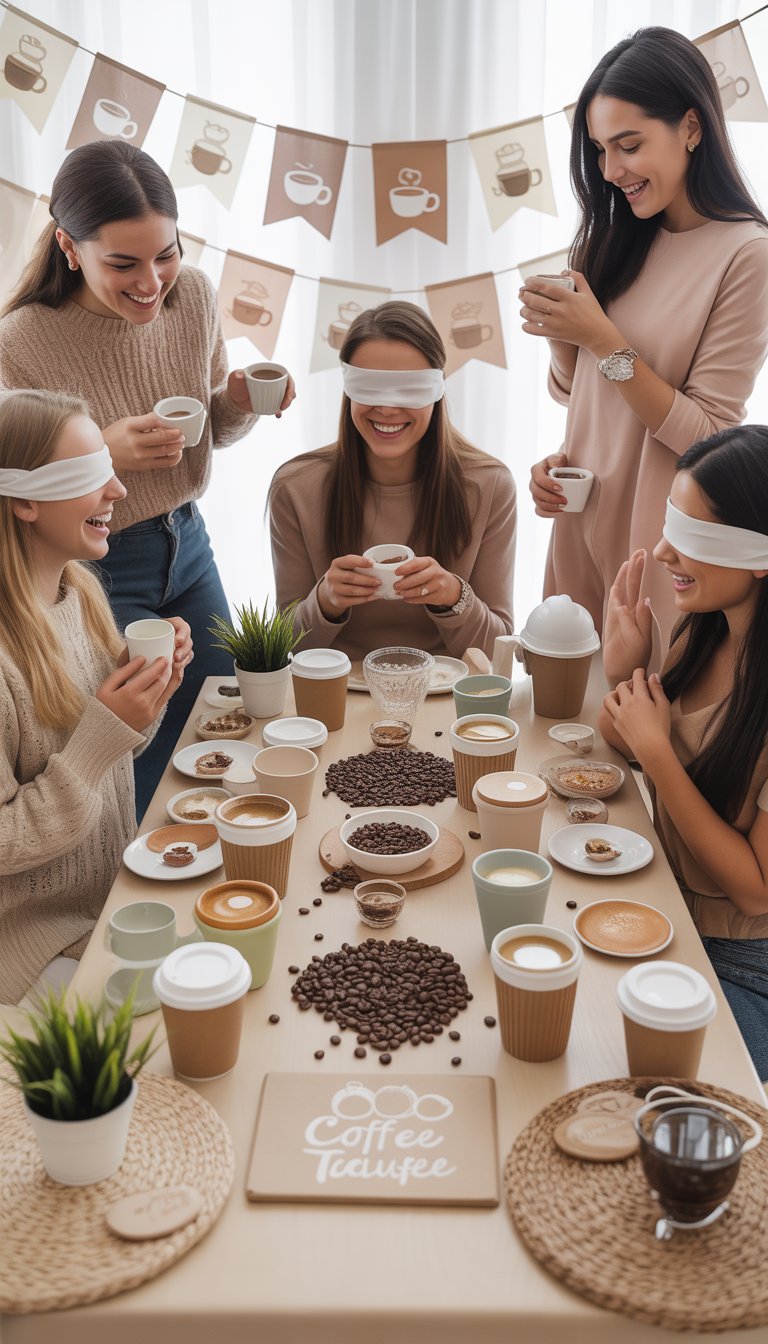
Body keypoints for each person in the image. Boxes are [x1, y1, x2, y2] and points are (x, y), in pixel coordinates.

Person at [0, 140, 294, 820]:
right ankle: (138, 892)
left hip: (187, 542)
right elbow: (15, 484)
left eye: (166, 254)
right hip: (96, 565)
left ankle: (239, 859)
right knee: (138, 746)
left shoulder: (191, 296)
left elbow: (208, 432)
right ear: (70, 249)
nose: (151, 282)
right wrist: (102, 451)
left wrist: (239, 404)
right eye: (123, 264)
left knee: (230, 716)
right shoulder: (22, 339)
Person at [520, 26, 768, 651]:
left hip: (658, 546)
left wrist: (600, 340)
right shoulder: (617, 235)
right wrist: (563, 343)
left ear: (691, 126)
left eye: (629, 145)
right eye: (601, 149)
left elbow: (710, 434)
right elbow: (580, 395)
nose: (611, 170)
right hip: (581, 520)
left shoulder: (748, 255)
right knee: (563, 730)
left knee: (639, 727)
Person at [0, 389, 192, 1005]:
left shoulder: (78, 594)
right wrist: (104, 732)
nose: (118, 491)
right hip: (31, 950)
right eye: (91, 475)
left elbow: (106, 762)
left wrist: (146, 696)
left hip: (109, 901)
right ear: (24, 498)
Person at [598, 425, 768, 1079]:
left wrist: (657, 755)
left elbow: (754, 892)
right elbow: (631, 740)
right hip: (668, 911)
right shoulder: (705, 631)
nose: (665, 550)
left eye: (692, 537)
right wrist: (627, 670)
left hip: (744, 961)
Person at [269, 301, 515, 662]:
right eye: (371, 387)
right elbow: (282, 650)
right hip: (333, 698)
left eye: (407, 389)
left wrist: (452, 596)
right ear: (348, 387)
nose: (387, 409)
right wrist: (324, 602)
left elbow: (498, 652)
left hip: (450, 698)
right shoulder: (295, 488)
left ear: (437, 388)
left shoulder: (490, 486)